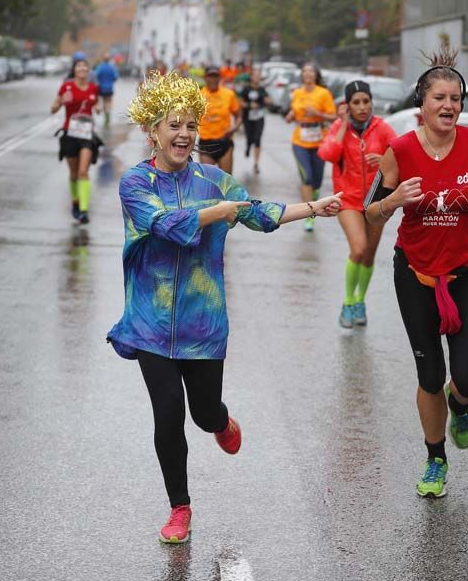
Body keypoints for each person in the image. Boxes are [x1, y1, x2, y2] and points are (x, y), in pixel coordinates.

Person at [107, 70, 342, 544]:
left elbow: (257, 212)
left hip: (202, 321)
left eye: (191, 125)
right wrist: (217, 211)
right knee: (168, 413)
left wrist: (315, 207)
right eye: (174, 124)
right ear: (153, 130)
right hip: (150, 320)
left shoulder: (214, 179)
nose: (184, 134)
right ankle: (180, 508)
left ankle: (221, 421)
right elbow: (165, 224)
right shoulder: (135, 182)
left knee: (203, 413)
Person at [365, 46, 468, 498]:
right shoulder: (400, 150)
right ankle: (435, 459)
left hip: (465, 270)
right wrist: (394, 201)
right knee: (429, 375)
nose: (449, 106)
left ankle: (461, 406)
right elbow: (370, 212)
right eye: (439, 98)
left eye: (456, 98)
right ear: (422, 104)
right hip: (415, 272)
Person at [319, 80, 397, 328]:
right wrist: (342, 124)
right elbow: (327, 154)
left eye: (366, 101)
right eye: (356, 102)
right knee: (359, 248)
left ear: (371, 102)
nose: (362, 107)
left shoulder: (382, 128)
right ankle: (348, 301)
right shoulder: (338, 127)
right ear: (347, 105)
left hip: (377, 200)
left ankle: (360, 301)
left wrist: (384, 159)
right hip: (348, 200)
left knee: (369, 256)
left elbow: (402, 154)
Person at [285, 62, 336, 232]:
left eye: (310, 71)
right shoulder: (297, 93)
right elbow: (294, 111)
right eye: (304, 71)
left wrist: (317, 114)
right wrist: (291, 115)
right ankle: (309, 215)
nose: (307, 74)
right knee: (306, 177)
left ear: (315, 75)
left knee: (317, 180)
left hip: (319, 141)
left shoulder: (323, 93)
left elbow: (333, 116)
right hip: (300, 140)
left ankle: (314, 195)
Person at [51, 58, 101, 224]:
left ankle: (84, 210)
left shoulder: (94, 88)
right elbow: (53, 108)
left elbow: (97, 104)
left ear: (88, 70)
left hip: (87, 134)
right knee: (73, 173)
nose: (82, 68)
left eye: (85, 66)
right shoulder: (67, 87)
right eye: (79, 66)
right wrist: (61, 102)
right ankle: (75, 202)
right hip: (69, 133)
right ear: (74, 70)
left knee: (83, 172)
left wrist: (99, 108)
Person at [198, 65, 242, 175]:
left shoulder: (228, 94)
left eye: (215, 76)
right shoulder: (198, 96)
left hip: (224, 142)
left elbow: (239, 115)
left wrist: (234, 128)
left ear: (219, 78)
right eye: (210, 76)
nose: (213, 79)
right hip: (206, 144)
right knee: (208, 183)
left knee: (226, 183)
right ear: (205, 78)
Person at [239, 74, 270, 173]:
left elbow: (269, 100)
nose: (256, 77)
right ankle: (248, 146)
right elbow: (240, 102)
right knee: (249, 137)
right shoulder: (246, 89)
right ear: (252, 77)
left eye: (258, 76)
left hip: (259, 117)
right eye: (255, 75)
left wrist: (266, 101)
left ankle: (256, 164)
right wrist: (249, 105)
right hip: (247, 117)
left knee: (257, 139)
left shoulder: (262, 89)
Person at [95, 53, 119, 124]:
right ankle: (107, 118)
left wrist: (101, 80)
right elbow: (115, 77)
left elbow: (96, 75)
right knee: (108, 103)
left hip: (101, 88)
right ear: (109, 59)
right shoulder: (112, 67)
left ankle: (104, 115)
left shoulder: (100, 67)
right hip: (109, 88)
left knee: (102, 101)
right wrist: (110, 81)